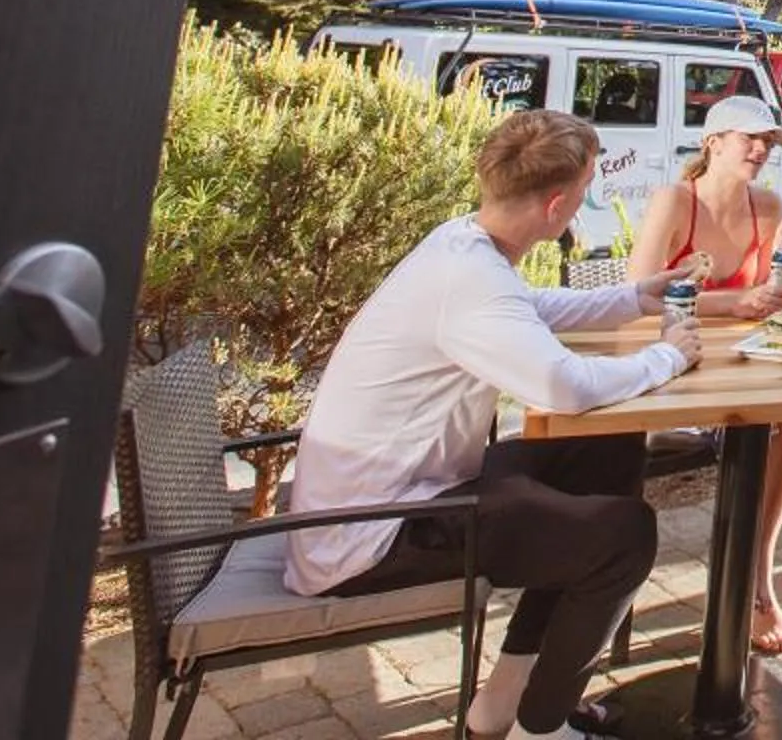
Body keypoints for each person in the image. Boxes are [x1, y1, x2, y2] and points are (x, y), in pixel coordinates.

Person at [283, 110, 701, 740]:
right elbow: (562, 386)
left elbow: (526, 307)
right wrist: (667, 356)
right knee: (624, 537)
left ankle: (503, 705)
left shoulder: (460, 244)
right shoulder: (469, 278)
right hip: (370, 535)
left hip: (407, 493)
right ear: (556, 207)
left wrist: (633, 297)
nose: (583, 203)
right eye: (584, 191)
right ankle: (544, 729)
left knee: (605, 446)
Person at [622, 93, 782, 655]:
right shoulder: (674, 202)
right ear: (712, 143)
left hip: (741, 366)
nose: (760, 149)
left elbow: (766, 301)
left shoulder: (768, 207)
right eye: (748, 138)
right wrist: (734, 303)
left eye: (768, 141)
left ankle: (755, 572)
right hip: (672, 368)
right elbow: (635, 297)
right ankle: (749, 586)